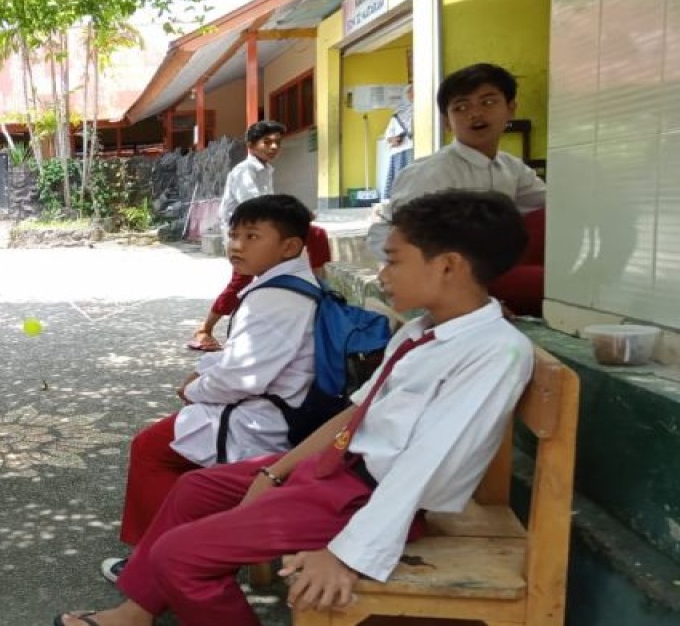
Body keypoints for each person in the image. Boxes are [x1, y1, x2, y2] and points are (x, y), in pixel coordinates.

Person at [56, 189, 534, 626]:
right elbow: (355, 414)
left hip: (366, 497)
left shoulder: (494, 351)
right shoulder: (421, 332)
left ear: (447, 266)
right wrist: (276, 472)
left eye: (393, 261)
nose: (382, 275)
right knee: (195, 489)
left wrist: (347, 554)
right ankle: (136, 613)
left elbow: (423, 466)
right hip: (337, 469)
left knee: (179, 557)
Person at [105, 195, 319, 579]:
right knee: (166, 443)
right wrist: (203, 374)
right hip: (275, 408)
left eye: (252, 236)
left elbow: (243, 378)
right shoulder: (289, 285)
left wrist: (195, 390)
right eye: (234, 234)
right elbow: (243, 361)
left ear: (290, 246)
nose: (236, 245)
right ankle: (169, 549)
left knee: (151, 448)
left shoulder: (277, 297)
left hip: (263, 422)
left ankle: (152, 564)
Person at [366, 63, 546, 316]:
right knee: (539, 283)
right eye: (461, 107)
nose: (475, 114)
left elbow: (550, 205)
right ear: (447, 122)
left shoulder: (510, 167)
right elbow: (403, 241)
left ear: (510, 109)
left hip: (481, 270)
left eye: (488, 102)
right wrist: (467, 301)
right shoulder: (433, 173)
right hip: (435, 275)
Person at [189, 122, 332, 351]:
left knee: (313, 237)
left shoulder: (265, 169)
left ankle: (318, 292)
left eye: (277, 142)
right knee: (240, 282)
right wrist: (296, 213)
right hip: (245, 234)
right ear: (251, 145)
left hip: (262, 230)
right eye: (267, 142)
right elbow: (256, 205)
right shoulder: (245, 171)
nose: (273, 147)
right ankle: (205, 329)